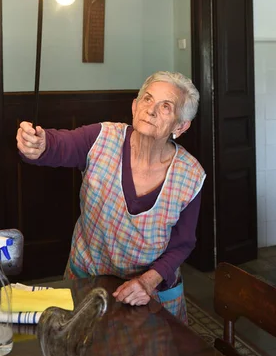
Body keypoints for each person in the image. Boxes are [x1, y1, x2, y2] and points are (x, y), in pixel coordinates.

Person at [16, 71, 206, 323]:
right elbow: (58, 145)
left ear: (180, 126)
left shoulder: (190, 174)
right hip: (88, 281)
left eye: (166, 107)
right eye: (147, 100)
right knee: (80, 353)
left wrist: (147, 282)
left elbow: (182, 243)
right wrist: (37, 145)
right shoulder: (102, 138)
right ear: (134, 106)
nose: (151, 110)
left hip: (150, 292)